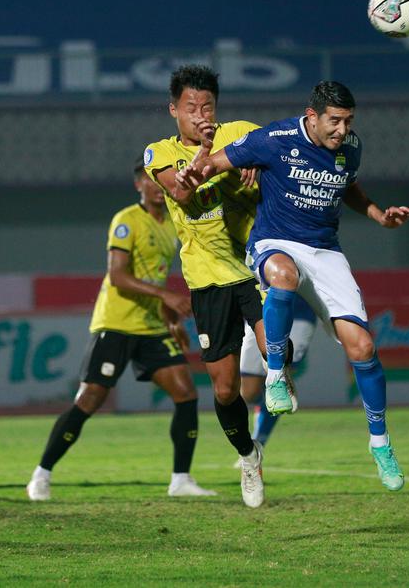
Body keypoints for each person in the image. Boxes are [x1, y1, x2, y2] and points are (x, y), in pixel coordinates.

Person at [179, 80, 409, 491]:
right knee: (283, 277)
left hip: (325, 251)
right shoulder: (273, 139)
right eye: (335, 121)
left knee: (363, 347)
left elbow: (349, 187)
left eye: (348, 121)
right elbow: (214, 165)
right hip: (274, 242)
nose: (342, 130)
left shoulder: (350, 148)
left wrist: (379, 214)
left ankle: (380, 444)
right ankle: (276, 375)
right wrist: (193, 171)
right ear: (312, 116)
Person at [27, 162, 216, 501]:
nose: (158, 185)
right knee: (89, 400)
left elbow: (155, 277)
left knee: (186, 392)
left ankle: (181, 479)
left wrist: (170, 319)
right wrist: (167, 297)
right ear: (138, 185)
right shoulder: (126, 220)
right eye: (150, 180)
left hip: (150, 325)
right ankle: (41, 474)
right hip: (115, 322)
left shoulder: (173, 222)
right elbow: (118, 276)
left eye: (162, 179)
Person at [144, 64, 275, 508]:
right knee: (223, 390)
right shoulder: (158, 152)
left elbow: (278, 151)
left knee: (274, 343)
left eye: (208, 106)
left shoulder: (239, 132)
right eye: (191, 107)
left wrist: (256, 160)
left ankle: (278, 374)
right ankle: (249, 455)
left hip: (252, 267)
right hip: (206, 280)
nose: (201, 114)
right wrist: (215, 156)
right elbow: (181, 194)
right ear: (173, 110)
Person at [238, 297, 318, 448]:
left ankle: (258, 443)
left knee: (281, 378)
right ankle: (263, 403)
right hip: (259, 314)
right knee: (248, 393)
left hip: (299, 314)